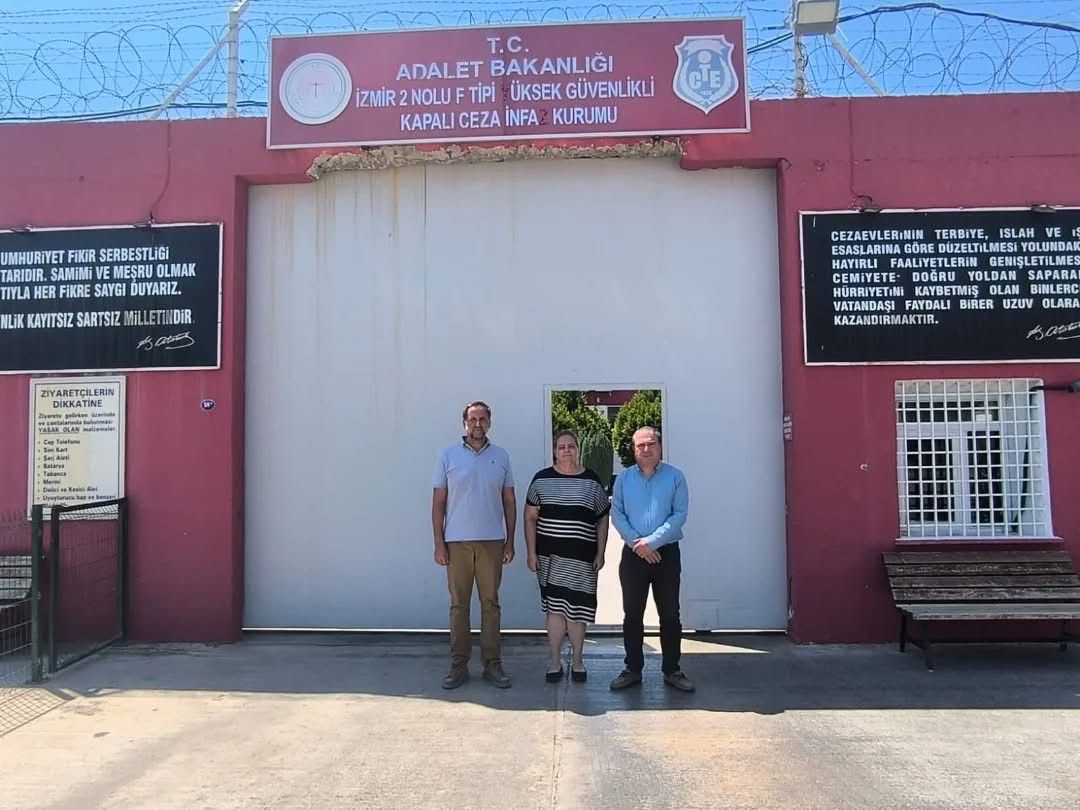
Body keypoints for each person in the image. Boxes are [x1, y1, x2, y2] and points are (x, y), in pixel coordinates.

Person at [432, 400, 517, 689]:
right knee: (459, 606)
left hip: (492, 541)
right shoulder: (448, 455)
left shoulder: (501, 456)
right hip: (456, 543)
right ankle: (459, 665)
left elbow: (509, 501)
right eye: (472, 419)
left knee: (490, 604)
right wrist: (439, 543)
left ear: (489, 422)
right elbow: (438, 502)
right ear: (464, 423)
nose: (477, 424)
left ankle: (492, 664)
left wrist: (510, 540)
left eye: (482, 419)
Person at [609, 426, 694, 692]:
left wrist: (652, 542)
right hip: (633, 554)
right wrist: (639, 543)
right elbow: (617, 514)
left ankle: (672, 670)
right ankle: (632, 669)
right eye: (640, 445)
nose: (646, 449)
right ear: (634, 449)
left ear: (660, 446)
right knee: (632, 614)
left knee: (669, 614)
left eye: (651, 444)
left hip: (665, 555)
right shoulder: (623, 479)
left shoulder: (675, 477)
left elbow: (679, 514)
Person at [524, 430, 610, 683]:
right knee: (555, 611)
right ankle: (554, 662)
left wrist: (601, 552)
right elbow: (530, 518)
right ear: (554, 451)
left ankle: (578, 661)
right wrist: (531, 553)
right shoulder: (541, 479)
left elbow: (602, 519)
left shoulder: (591, 481)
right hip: (550, 559)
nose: (566, 451)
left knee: (577, 612)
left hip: (583, 561)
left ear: (577, 449)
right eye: (561, 447)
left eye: (571, 446)